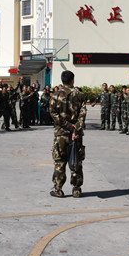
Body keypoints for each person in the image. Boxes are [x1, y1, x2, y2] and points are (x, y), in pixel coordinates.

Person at [49, 70, 87, 198]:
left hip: (61, 134)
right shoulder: (80, 95)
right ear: (72, 80)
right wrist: (75, 128)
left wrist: (67, 125)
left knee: (59, 161)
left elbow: (53, 114)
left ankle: (58, 189)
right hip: (75, 135)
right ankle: (76, 189)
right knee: (76, 161)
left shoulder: (55, 95)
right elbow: (82, 114)